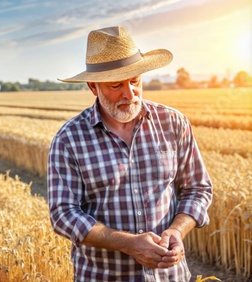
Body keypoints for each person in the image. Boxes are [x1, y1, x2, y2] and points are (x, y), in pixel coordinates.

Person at [47, 26, 213, 281]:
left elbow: (198, 188)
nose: (130, 93)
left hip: (170, 275)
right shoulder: (69, 139)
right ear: (93, 87)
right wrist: (128, 243)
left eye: (135, 81)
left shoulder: (173, 122)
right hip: (104, 275)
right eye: (116, 85)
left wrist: (177, 231)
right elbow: (63, 214)